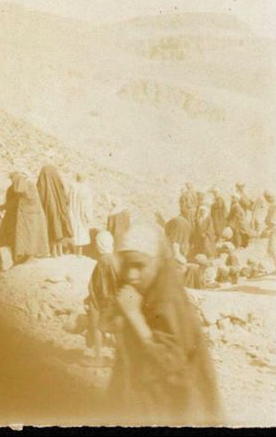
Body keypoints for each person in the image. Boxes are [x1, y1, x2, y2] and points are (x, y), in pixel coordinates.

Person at [109, 224, 222, 425]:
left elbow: (171, 363)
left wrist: (134, 317)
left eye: (139, 266)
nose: (131, 275)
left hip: (175, 402)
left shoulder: (167, 298)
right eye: (127, 265)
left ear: (156, 263)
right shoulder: (143, 291)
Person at [83, 230, 120, 367]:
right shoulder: (116, 259)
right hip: (117, 300)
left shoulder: (102, 262)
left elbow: (97, 285)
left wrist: (90, 299)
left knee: (98, 326)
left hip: (106, 300)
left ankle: (98, 358)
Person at [0, 170, 49, 263]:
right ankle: (27, 255)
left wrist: (4, 206)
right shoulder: (27, 186)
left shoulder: (27, 187)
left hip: (29, 216)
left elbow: (19, 198)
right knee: (28, 236)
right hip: (29, 216)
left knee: (29, 236)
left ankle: (29, 256)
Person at [37, 165, 73, 257]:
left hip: (48, 209)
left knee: (51, 228)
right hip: (60, 209)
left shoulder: (43, 180)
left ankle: (54, 252)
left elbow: (40, 194)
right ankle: (60, 250)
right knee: (59, 227)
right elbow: (64, 195)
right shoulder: (58, 180)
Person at [68, 173, 94, 256]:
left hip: (72, 211)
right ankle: (79, 252)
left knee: (74, 230)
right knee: (81, 232)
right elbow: (87, 205)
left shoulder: (72, 187)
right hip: (81, 214)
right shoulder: (85, 189)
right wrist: (88, 217)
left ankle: (74, 250)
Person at [262, 191, 276, 275]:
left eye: (267, 198)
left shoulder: (275, 205)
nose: (266, 200)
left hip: (275, 229)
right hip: (274, 228)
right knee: (273, 249)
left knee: (274, 249)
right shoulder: (274, 205)